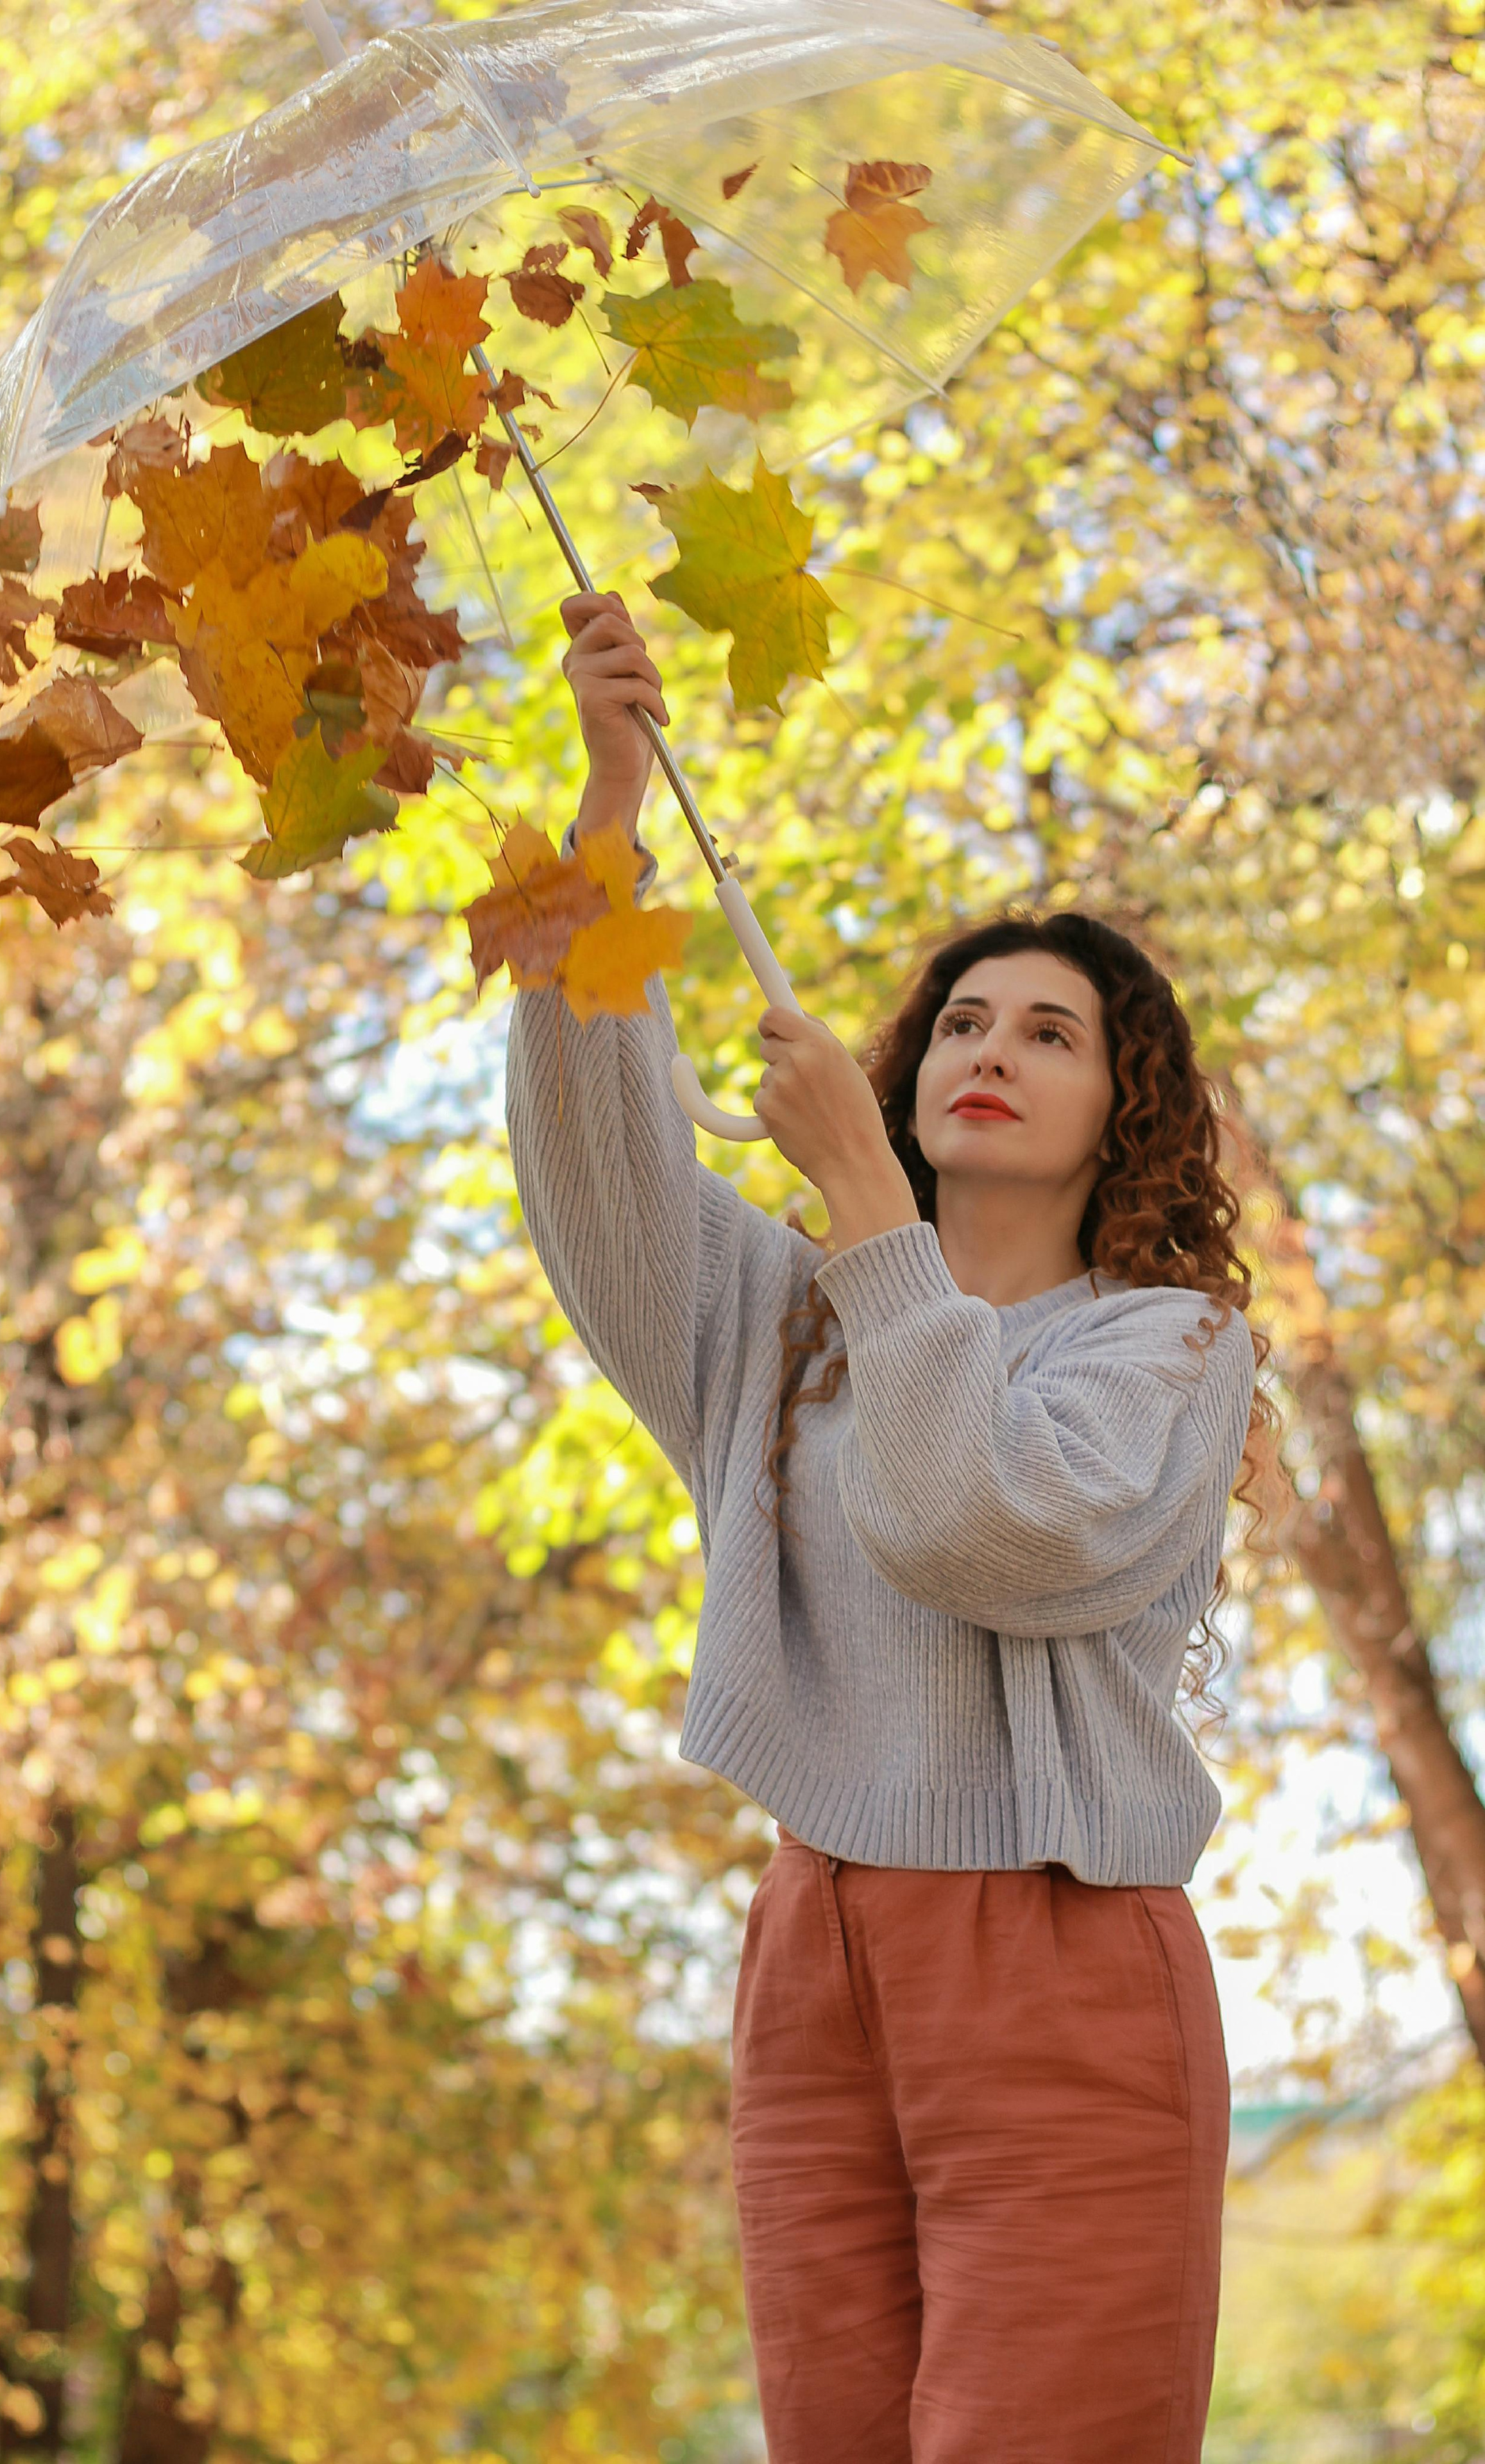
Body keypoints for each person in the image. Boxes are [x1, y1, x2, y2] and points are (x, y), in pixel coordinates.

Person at [505, 590, 1265, 2464]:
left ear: (1124, 1111)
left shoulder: (1169, 1349)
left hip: (1062, 1964)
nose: (994, 1045)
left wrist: (862, 1192)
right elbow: (598, 1175)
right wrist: (608, 813)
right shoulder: (785, 1313)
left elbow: (979, 1523)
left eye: (1053, 1033)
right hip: (811, 1951)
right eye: (964, 1020)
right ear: (915, 1068)